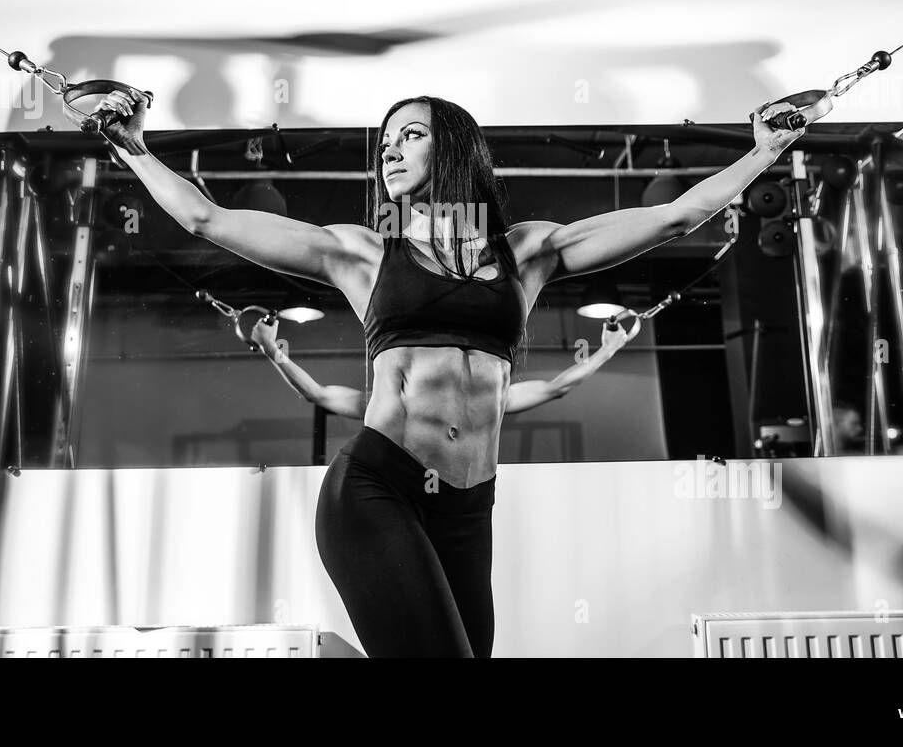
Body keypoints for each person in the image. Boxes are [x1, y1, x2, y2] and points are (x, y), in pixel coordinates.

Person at [89, 89, 829, 657]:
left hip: (470, 509)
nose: (391, 151)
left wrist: (764, 151)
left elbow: (678, 217)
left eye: (411, 134)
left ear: (455, 150)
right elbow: (207, 220)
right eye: (385, 142)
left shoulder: (527, 251)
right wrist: (133, 147)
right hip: (379, 491)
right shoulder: (361, 253)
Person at [247, 312, 641, 420]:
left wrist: (607, 351)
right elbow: (315, 393)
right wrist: (272, 351)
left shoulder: (490, 400)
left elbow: (558, 386)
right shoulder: (389, 405)